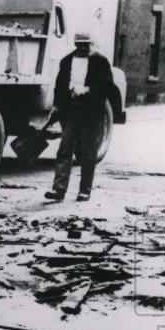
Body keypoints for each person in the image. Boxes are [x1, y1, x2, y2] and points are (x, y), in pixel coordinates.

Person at [45, 31, 113, 203]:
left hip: (91, 113)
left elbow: (108, 86)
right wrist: (56, 106)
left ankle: (84, 191)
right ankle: (58, 189)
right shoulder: (66, 61)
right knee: (64, 149)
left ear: (90, 44)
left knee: (88, 152)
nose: (83, 48)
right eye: (80, 45)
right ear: (75, 45)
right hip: (70, 112)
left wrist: (88, 90)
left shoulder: (100, 62)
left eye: (86, 44)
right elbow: (59, 87)